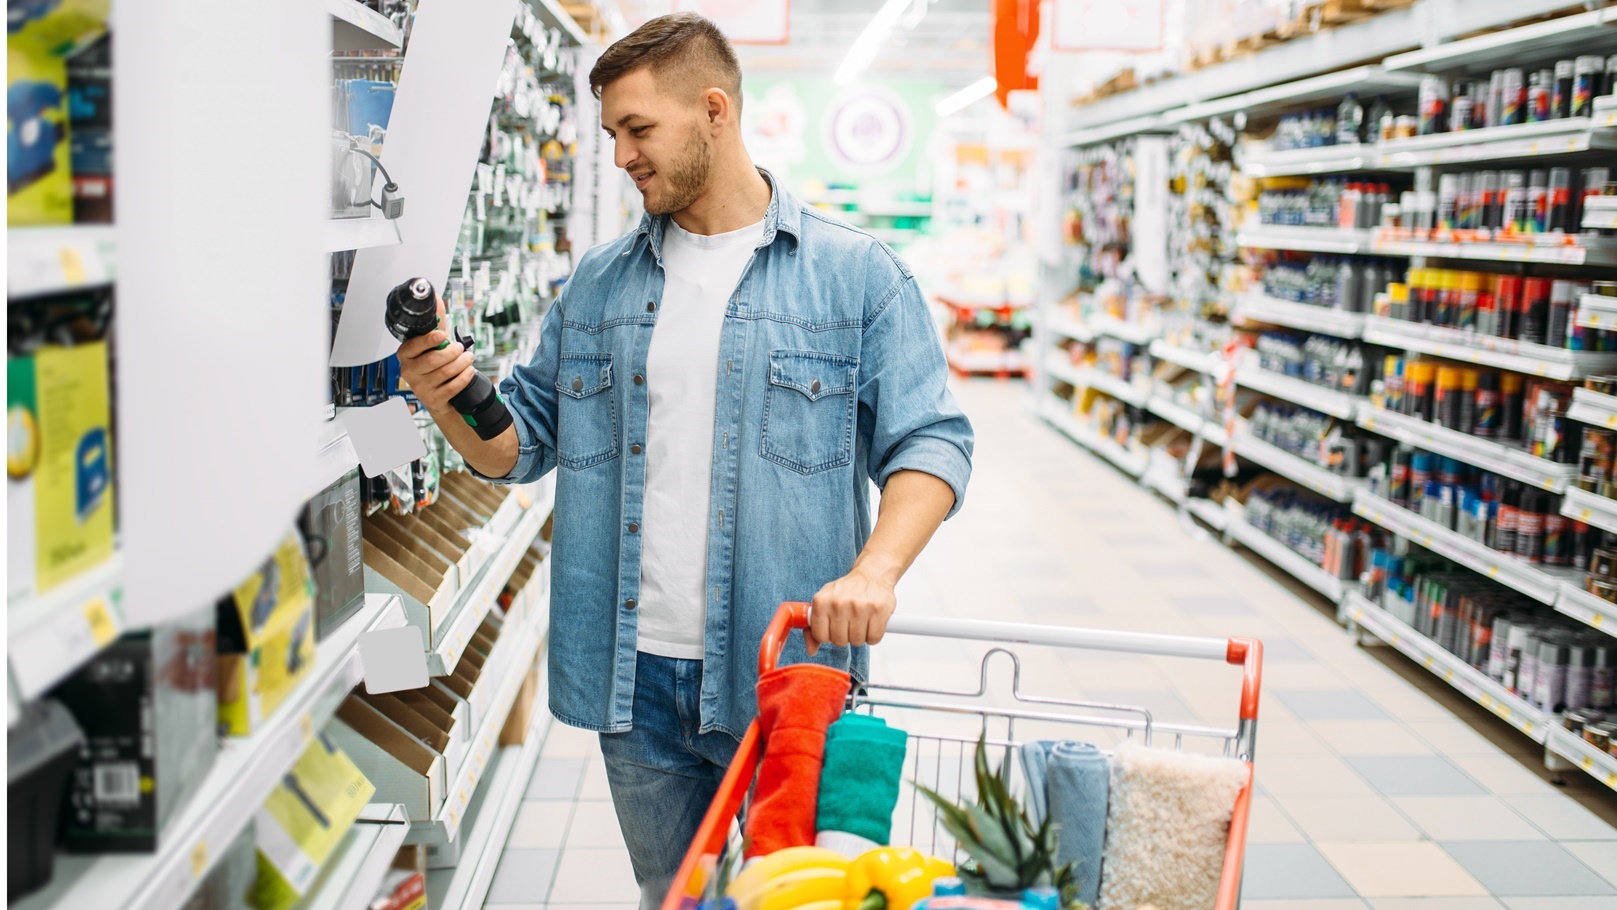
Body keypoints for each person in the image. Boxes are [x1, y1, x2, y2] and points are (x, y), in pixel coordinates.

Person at [396, 12, 973, 906]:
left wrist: (877, 571)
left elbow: (931, 441)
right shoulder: (599, 282)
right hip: (634, 684)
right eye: (612, 135)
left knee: (803, 895)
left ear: (714, 110)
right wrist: (449, 392)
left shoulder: (855, 276)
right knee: (675, 898)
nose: (621, 155)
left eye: (638, 129)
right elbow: (520, 448)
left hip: (787, 674)